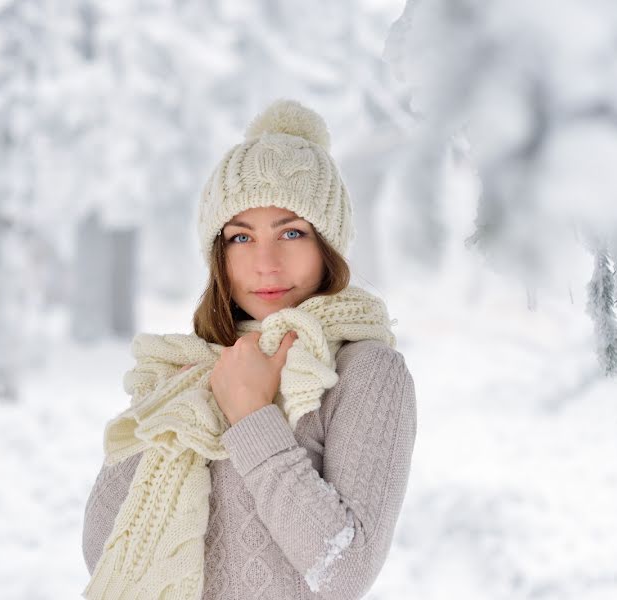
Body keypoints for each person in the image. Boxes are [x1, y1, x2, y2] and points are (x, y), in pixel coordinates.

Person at [82, 98, 417, 600]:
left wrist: (254, 418)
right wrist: (173, 412)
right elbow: (101, 549)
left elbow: (345, 570)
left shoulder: (366, 372)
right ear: (218, 254)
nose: (265, 263)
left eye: (291, 232)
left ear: (328, 245)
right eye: (241, 237)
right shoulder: (190, 371)